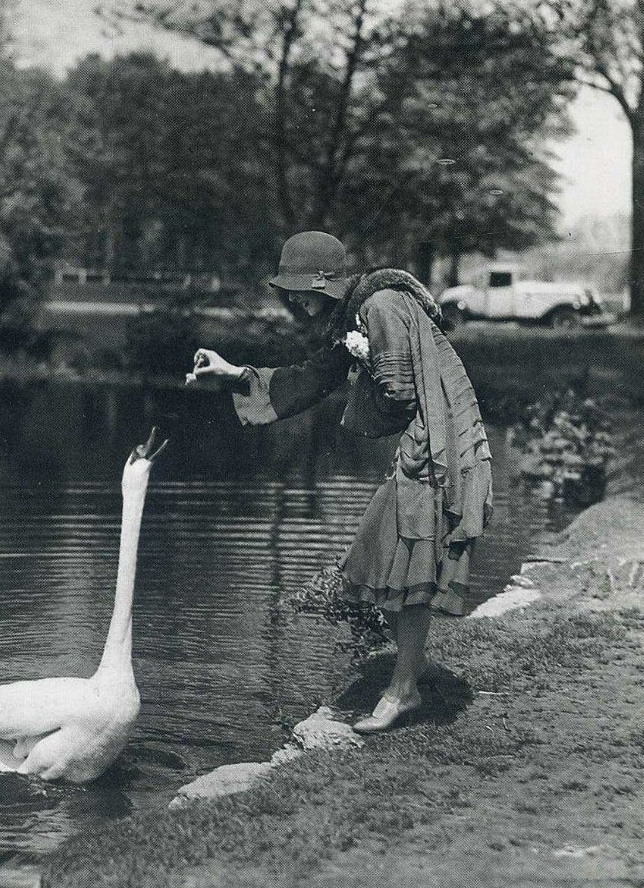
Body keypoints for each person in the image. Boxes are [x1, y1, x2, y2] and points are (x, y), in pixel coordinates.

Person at [189, 231, 492, 733]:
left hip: (444, 448)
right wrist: (235, 372)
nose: (294, 301)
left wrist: (364, 372)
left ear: (322, 283)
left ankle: (404, 688)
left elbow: (397, 393)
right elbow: (314, 374)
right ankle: (409, 673)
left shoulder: (381, 306)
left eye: (298, 290)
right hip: (427, 443)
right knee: (378, 557)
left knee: (406, 566)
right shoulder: (358, 313)